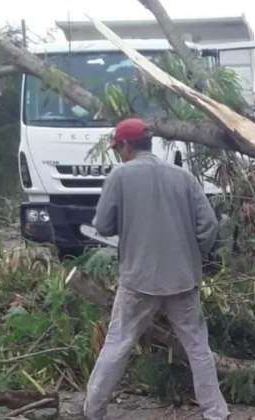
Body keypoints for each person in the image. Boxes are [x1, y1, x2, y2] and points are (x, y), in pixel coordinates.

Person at [83, 118, 229, 420]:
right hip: (183, 278)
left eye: (117, 147)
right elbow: (210, 225)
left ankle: (93, 410)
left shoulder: (120, 176)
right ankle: (216, 413)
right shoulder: (183, 177)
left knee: (119, 342)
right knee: (197, 346)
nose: (117, 153)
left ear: (126, 145)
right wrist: (192, 255)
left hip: (138, 279)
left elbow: (103, 225)